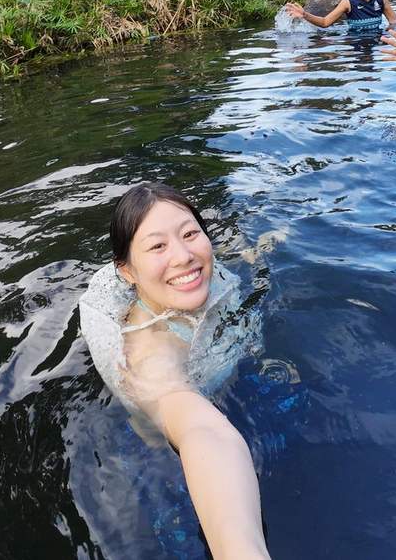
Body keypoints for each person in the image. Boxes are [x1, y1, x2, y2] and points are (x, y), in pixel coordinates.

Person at [79, 183, 270, 560]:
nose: (184, 256)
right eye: (157, 246)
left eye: (189, 234)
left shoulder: (199, 280)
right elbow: (202, 430)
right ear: (127, 271)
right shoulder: (153, 346)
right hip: (166, 466)